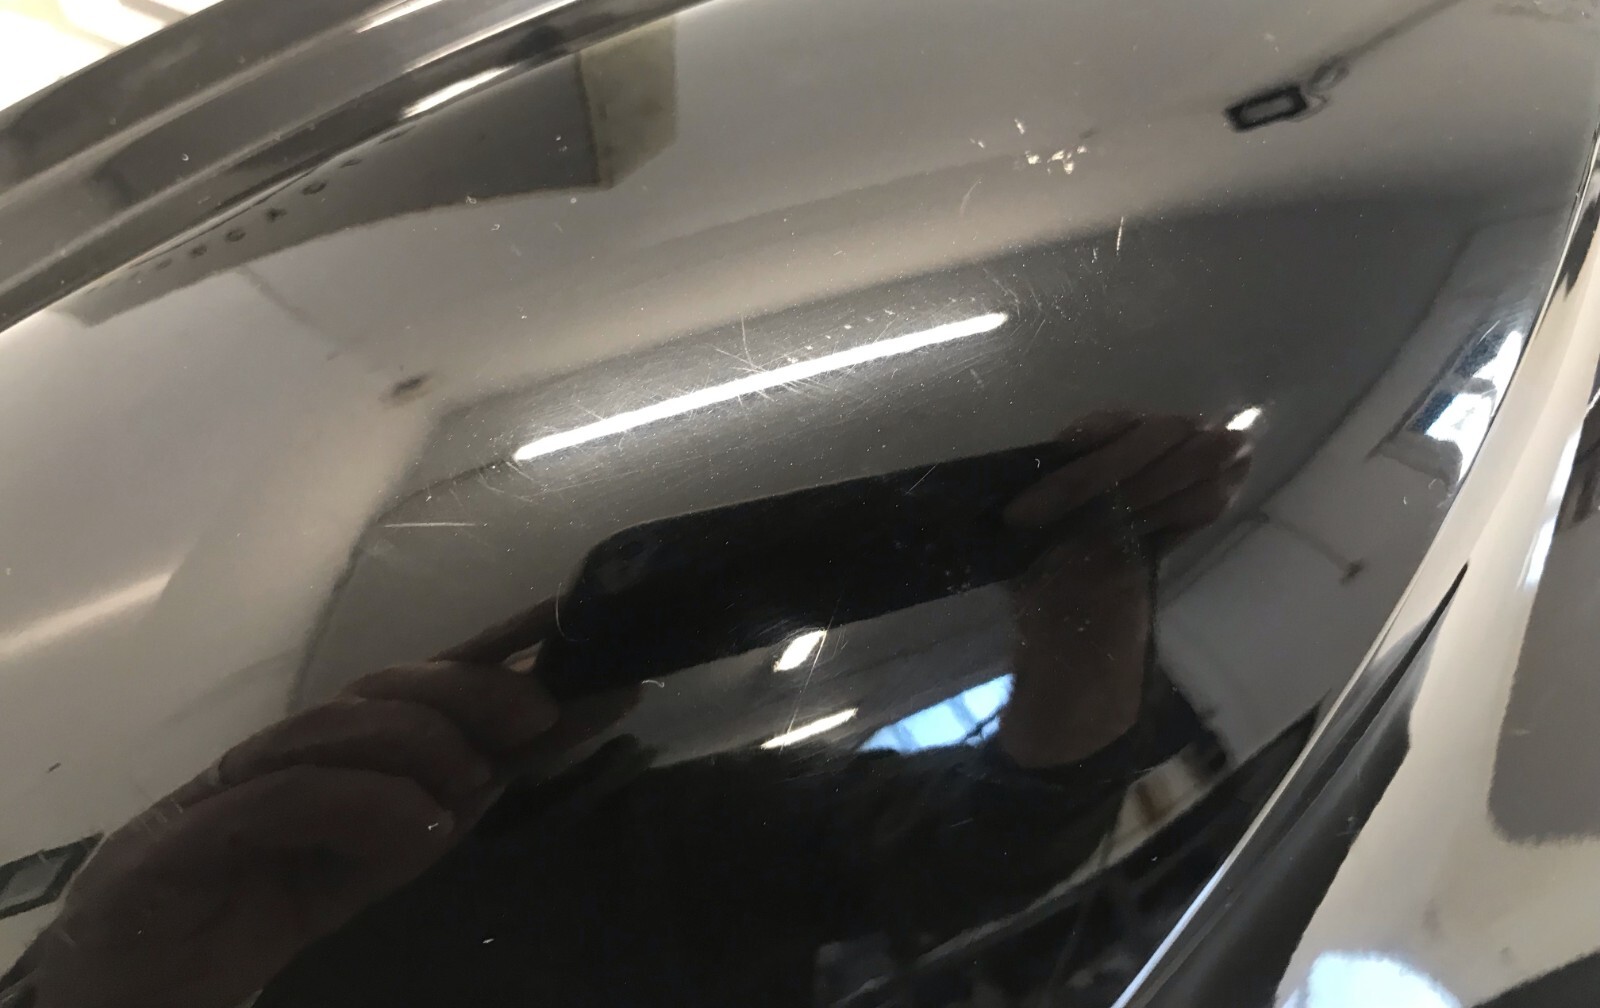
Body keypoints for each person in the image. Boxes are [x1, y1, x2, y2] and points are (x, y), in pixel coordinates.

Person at [1, 413, 1248, 1008]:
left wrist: (1088, 594)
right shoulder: (236, 875)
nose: (488, 670)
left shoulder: (689, 833)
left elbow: (1001, 842)